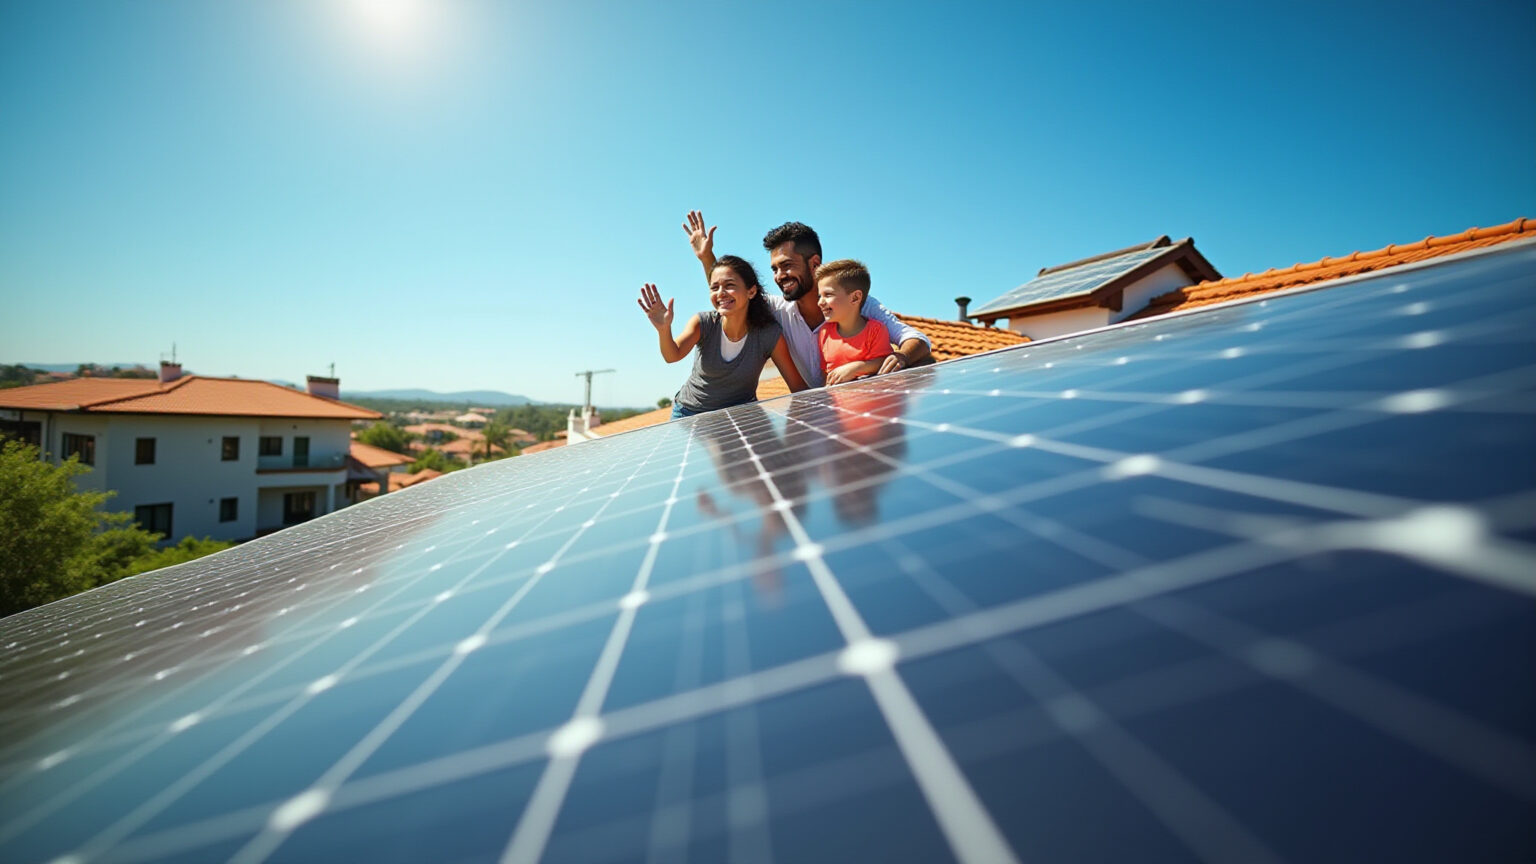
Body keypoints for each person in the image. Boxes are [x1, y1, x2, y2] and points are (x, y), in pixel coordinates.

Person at [683, 210, 931, 388]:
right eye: (774, 269)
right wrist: (708, 260)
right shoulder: (778, 310)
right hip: (818, 414)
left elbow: (915, 339)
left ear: (814, 264)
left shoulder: (860, 304)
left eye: (787, 266)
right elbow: (732, 295)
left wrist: (902, 357)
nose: (779, 276)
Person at [637, 254, 808, 420]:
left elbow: (798, 387)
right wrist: (664, 329)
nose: (721, 293)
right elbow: (672, 355)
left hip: (742, 413)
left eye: (729, 285)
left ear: (751, 291)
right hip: (691, 414)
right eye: (714, 287)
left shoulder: (768, 335)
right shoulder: (703, 323)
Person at [815, 259, 892, 385]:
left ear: (855, 297)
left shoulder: (875, 330)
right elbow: (826, 374)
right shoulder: (825, 333)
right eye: (820, 296)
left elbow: (884, 362)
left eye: (828, 295)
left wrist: (855, 368)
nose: (820, 302)